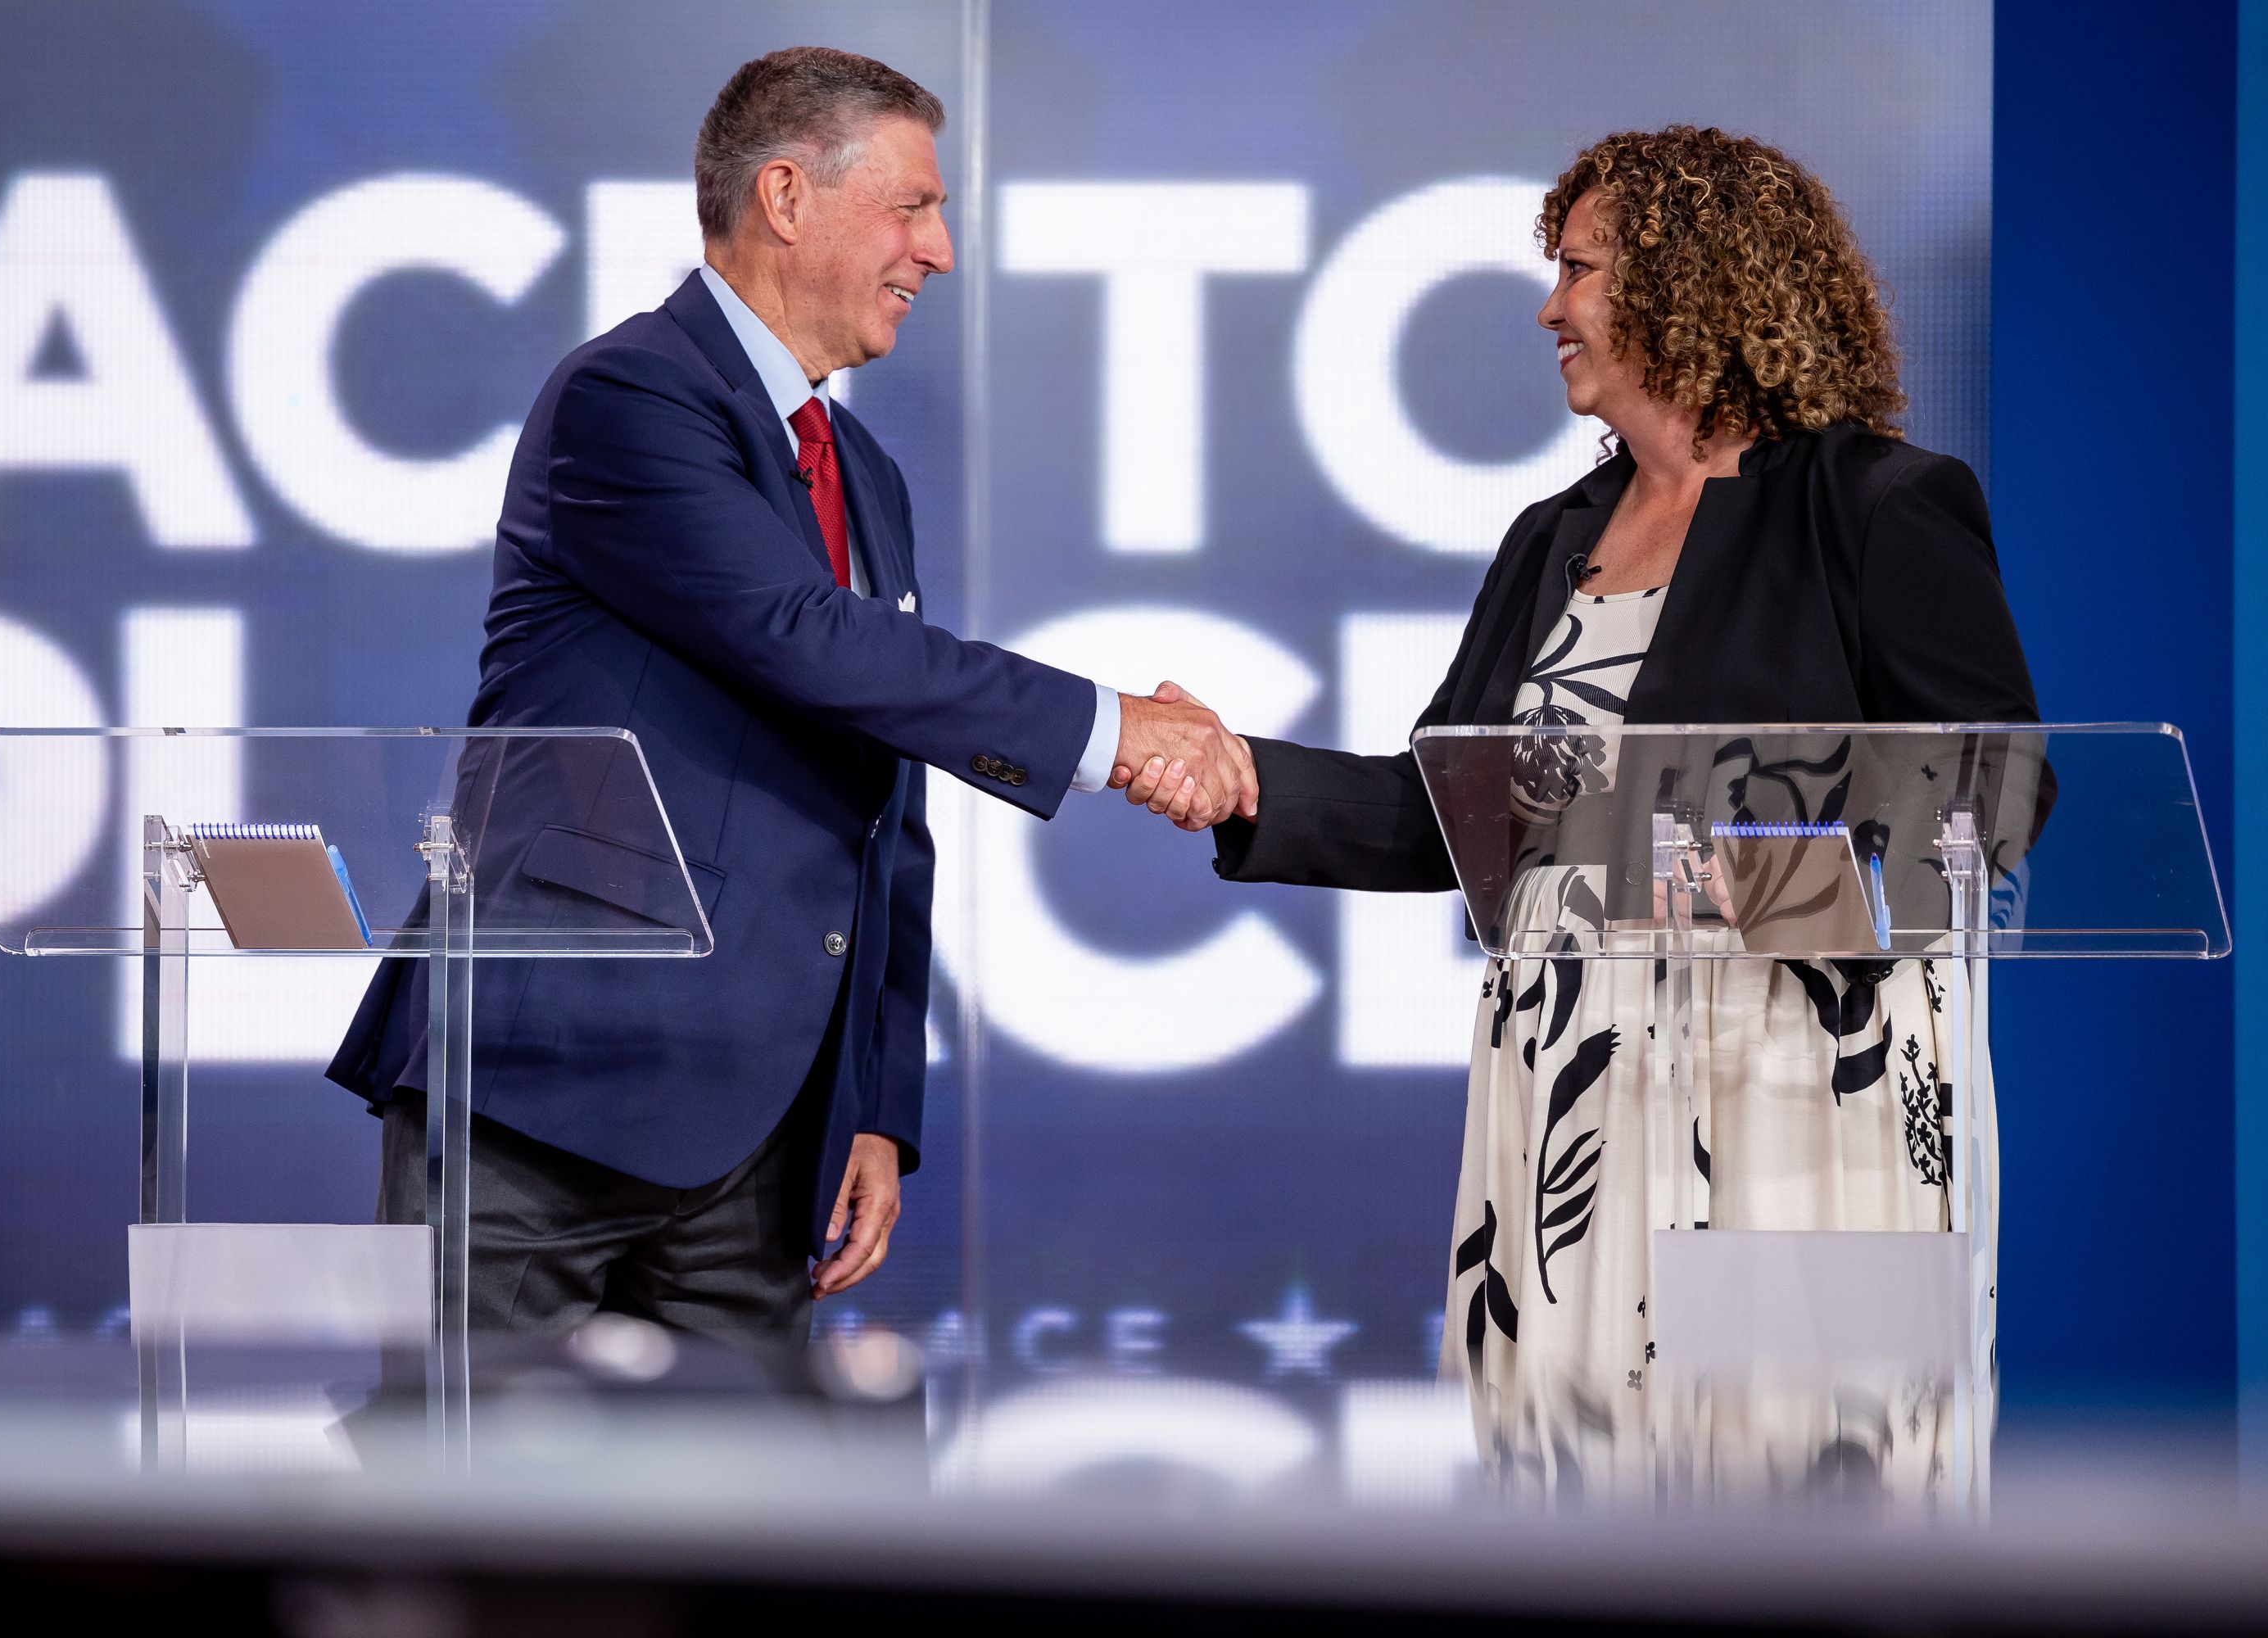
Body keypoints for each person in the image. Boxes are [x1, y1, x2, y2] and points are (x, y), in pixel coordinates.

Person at [1123, 126, 2037, 1494]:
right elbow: (1458, 820)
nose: (1551, 307)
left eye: (1580, 269)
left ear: (1695, 283)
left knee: (1799, 1478)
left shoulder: (1877, 506)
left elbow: (1994, 798)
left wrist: (1729, 893)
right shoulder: (1557, 538)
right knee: (1580, 1482)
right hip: (1576, 1106)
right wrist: (1246, 778)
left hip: (1799, 1095)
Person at [328, 47, 1255, 1371]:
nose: (938, 250)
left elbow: (888, 799)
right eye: (914, 207)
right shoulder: (630, 397)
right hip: (542, 1095)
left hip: (761, 1143)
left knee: (737, 1545)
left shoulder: (860, 468)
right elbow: (801, 638)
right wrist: (1115, 734)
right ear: (785, 196)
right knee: (474, 1520)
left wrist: (873, 1100)